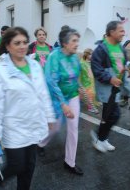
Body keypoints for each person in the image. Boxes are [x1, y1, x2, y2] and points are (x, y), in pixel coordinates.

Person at [0, 27, 56, 189]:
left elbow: (43, 93)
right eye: (17, 43)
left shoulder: (34, 66)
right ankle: (1, 175)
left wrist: (49, 117)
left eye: (24, 42)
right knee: (17, 165)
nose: (22, 46)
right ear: (7, 46)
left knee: (29, 166)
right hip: (13, 129)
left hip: (33, 125)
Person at [40, 28, 83, 175]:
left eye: (78, 41)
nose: (77, 44)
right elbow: (51, 82)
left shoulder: (75, 57)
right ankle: (40, 143)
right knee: (56, 128)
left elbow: (76, 75)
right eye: (74, 41)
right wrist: (63, 104)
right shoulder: (54, 57)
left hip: (72, 95)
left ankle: (70, 162)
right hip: (56, 98)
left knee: (73, 128)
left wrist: (80, 88)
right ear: (64, 43)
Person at [90, 21, 127, 153]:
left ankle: (102, 138)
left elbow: (121, 63)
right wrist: (110, 78)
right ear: (111, 32)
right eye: (121, 30)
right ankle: (99, 137)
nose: (124, 33)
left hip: (116, 87)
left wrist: (125, 69)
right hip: (107, 88)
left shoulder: (121, 47)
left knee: (109, 115)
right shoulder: (101, 49)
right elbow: (96, 68)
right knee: (114, 114)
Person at [79, 48, 99, 114]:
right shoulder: (82, 63)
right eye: (91, 54)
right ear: (87, 55)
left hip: (90, 81)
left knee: (90, 94)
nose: (92, 56)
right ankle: (91, 108)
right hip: (85, 81)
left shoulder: (90, 62)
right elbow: (81, 73)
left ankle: (90, 106)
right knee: (88, 94)